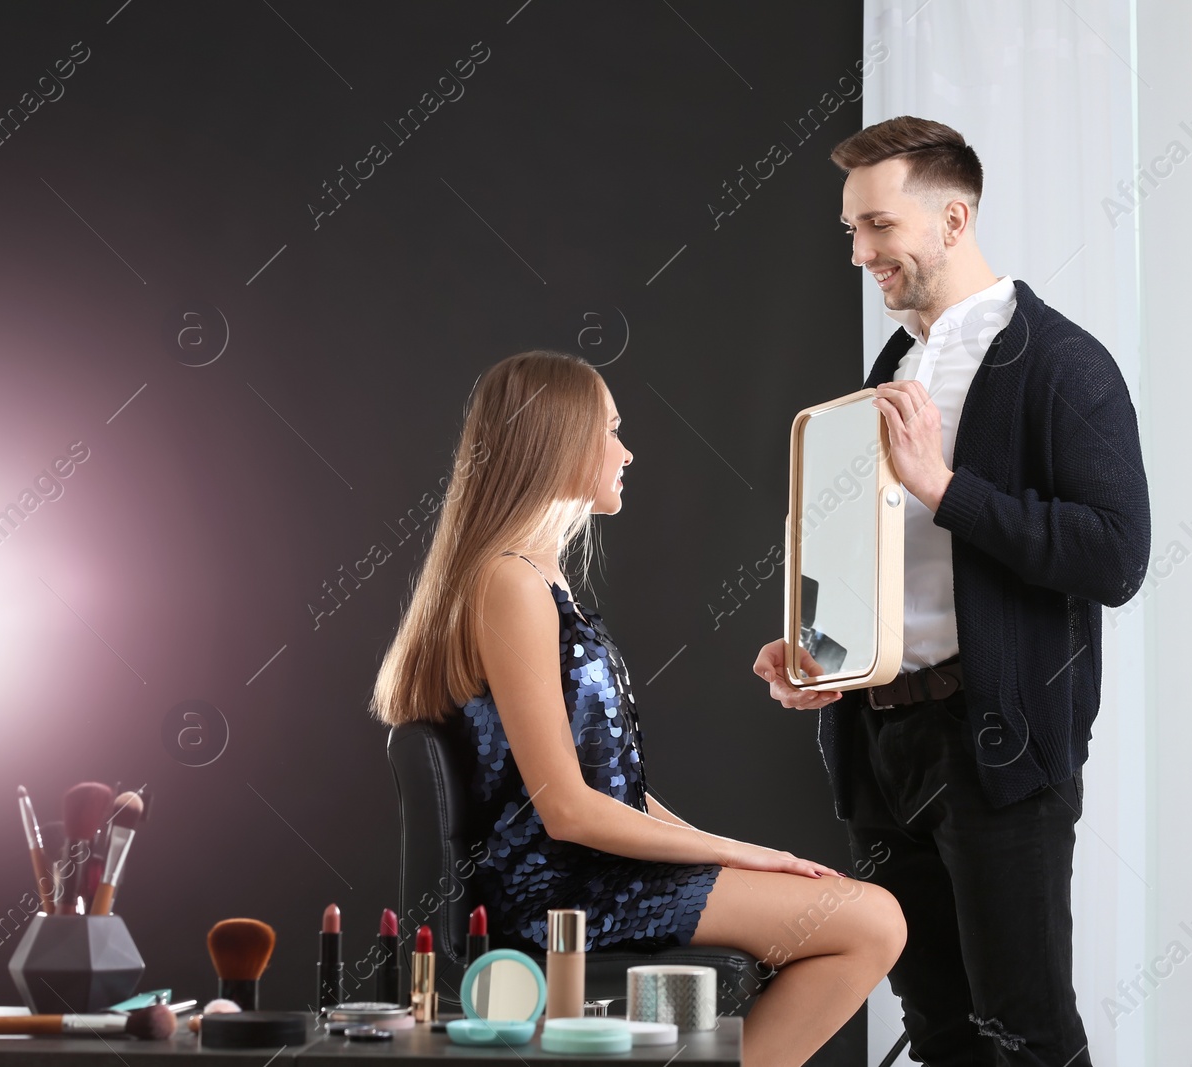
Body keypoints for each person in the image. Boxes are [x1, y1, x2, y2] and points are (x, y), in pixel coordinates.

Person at [372, 351, 906, 1067]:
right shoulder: (509, 582)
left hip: (598, 875)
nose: (626, 451)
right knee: (873, 920)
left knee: (863, 913)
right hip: (560, 898)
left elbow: (614, 791)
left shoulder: (536, 576)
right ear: (559, 441)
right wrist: (742, 852)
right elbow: (567, 809)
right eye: (612, 430)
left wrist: (756, 861)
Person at [754, 117, 1152, 1066]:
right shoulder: (892, 368)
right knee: (937, 1032)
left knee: (1027, 1035)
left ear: (953, 217)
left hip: (998, 751)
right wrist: (817, 651)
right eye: (851, 231)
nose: (860, 253)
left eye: (879, 228)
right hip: (880, 745)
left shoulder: (1063, 364)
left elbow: (1116, 555)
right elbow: (889, 561)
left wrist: (946, 487)